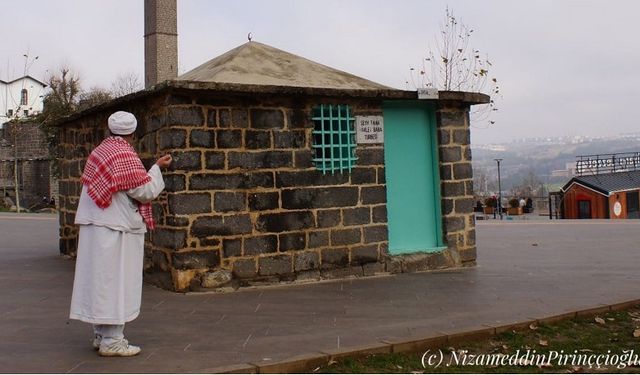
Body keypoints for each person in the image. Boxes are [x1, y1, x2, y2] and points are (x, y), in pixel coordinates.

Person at [69, 111, 172, 357]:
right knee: (117, 281)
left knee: (100, 281)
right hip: (116, 228)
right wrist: (156, 168)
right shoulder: (124, 155)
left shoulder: (99, 152)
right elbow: (143, 191)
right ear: (132, 133)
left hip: (96, 226)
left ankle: (101, 333)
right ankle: (112, 340)